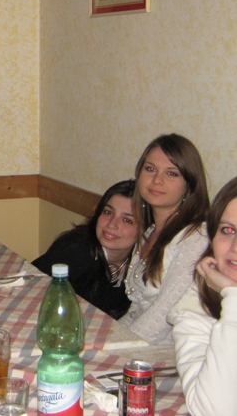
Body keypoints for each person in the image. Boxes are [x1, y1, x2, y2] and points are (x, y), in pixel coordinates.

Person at [120, 134, 209, 344]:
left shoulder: (196, 237)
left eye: (171, 173)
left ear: (189, 184)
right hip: (140, 343)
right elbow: (137, 308)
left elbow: (163, 316)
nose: (157, 180)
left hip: (172, 355)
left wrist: (118, 348)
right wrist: (106, 339)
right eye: (150, 169)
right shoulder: (150, 232)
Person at [167, 177, 237, 415]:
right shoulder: (196, 306)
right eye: (228, 230)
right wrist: (233, 298)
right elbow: (214, 410)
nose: (236, 247)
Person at [33, 180, 137, 319]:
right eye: (108, 212)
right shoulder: (75, 253)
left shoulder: (144, 264)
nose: (112, 224)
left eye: (127, 220)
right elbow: (48, 312)